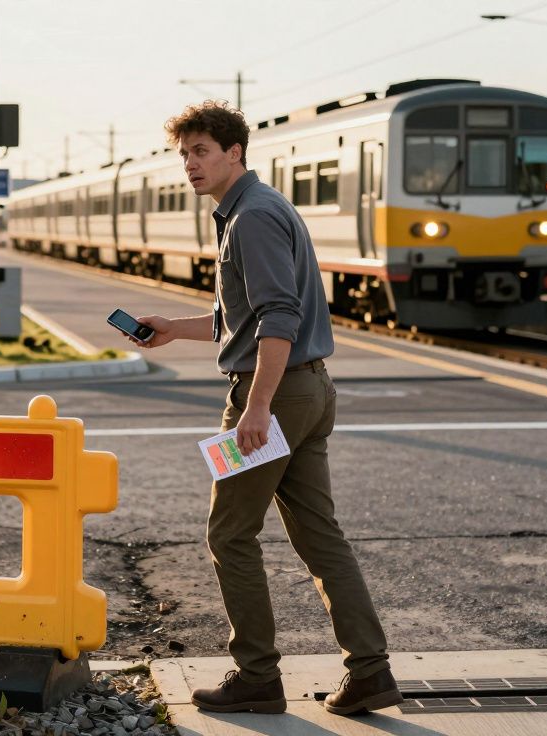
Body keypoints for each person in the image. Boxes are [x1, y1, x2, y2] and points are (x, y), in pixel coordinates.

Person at [130, 101, 399, 716]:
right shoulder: (255, 209)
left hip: (272, 398)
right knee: (320, 538)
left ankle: (256, 675)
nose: (191, 165)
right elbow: (242, 318)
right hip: (303, 390)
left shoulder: (250, 217)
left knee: (229, 533)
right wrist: (174, 327)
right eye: (184, 154)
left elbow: (281, 316)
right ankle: (371, 671)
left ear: (234, 153)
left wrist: (255, 408)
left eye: (202, 151)